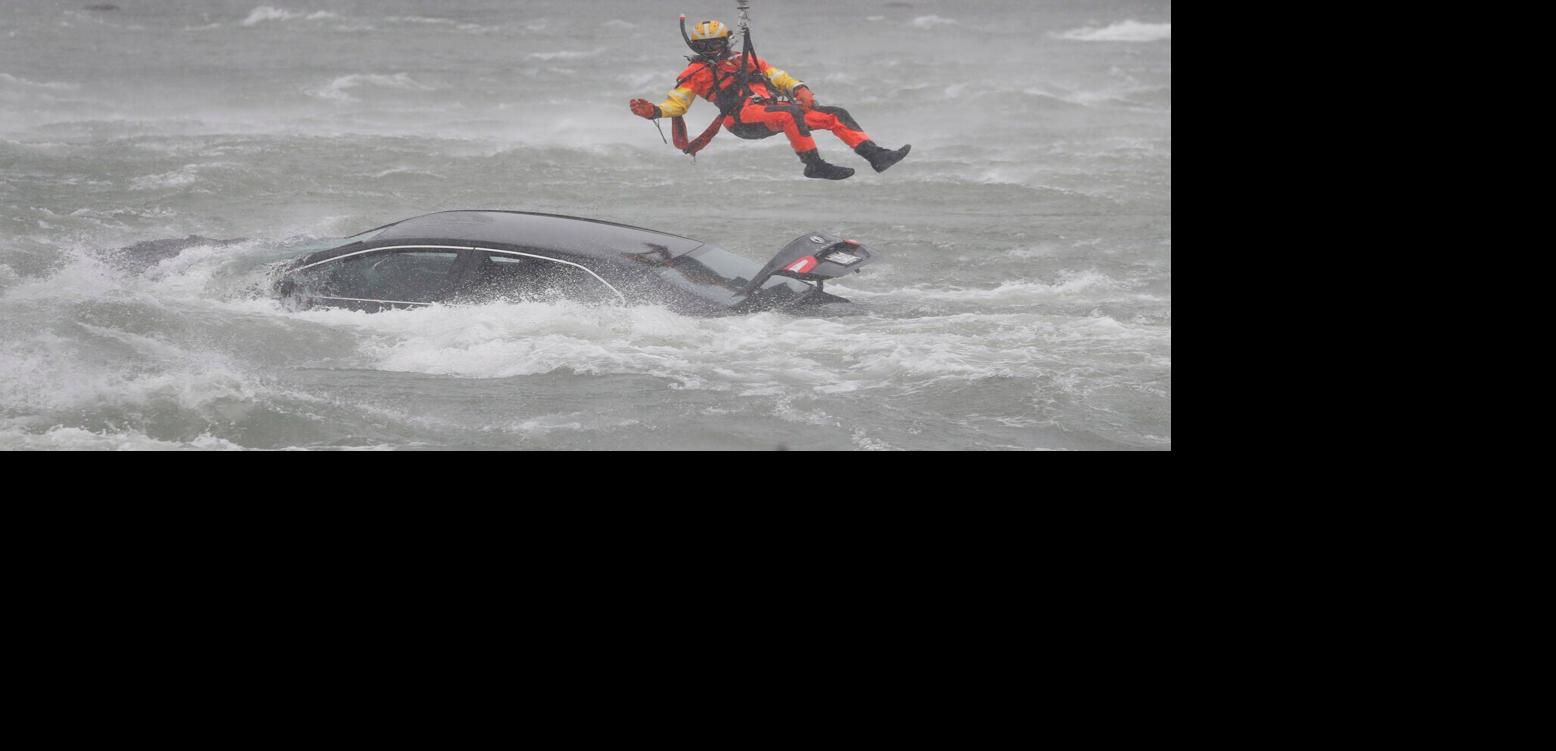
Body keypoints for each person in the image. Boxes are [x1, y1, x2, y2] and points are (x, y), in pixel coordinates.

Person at [629, 19, 910, 181]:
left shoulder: (747, 60)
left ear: (725, 42)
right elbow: (677, 104)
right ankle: (814, 165)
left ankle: (876, 156)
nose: (711, 50)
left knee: (835, 114)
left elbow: (779, 77)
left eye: (715, 44)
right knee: (790, 114)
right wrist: (654, 111)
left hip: (772, 110)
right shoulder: (695, 73)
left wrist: (800, 88)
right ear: (695, 47)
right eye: (704, 46)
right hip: (742, 120)